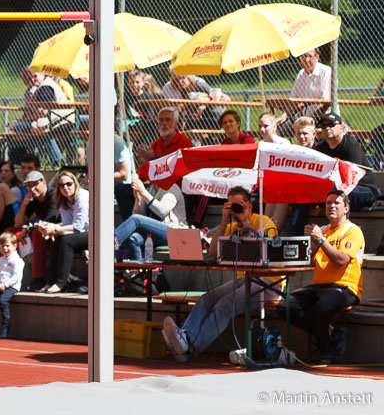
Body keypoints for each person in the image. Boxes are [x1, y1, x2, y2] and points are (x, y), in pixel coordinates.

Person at [162, 187, 281, 363]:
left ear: (249, 205)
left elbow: (260, 253)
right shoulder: (230, 226)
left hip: (268, 283)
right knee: (206, 299)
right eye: (231, 205)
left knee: (225, 304)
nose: (236, 210)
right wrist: (224, 221)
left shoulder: (264, 222)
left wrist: (246, 222)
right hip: (244, 280)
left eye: (239, 205)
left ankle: (190, 347)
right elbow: (212, 251)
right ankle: (185, 338)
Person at [280, 189, 364, 365]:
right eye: (328, 203)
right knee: (284, 306)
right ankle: (331, 332)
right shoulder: (323, 231)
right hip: (319, 286)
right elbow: (306, 263)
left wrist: (321, 241)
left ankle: (326, 350)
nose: (331, 206)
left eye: (336, 203)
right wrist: (308, 244)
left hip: (345, 287)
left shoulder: (352, 231)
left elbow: (341, 260)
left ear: (346, 208)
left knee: (322, 308)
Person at [39, 170, 90, 293]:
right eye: (62, 185)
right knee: (57, 238)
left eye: (69, 184)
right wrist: (50, 227)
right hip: (80, 235)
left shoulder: (82, 197)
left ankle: (61, 283)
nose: (66, 187)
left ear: (75, 183)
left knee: (66, 240)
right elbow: (67, 225)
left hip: (96, 234)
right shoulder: (63, 201)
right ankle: (50, 281)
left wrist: (55, 228)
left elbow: (78, 226)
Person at [314, 112, 378, 211]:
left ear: (341, 128)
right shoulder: (321, 148)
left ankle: (341, 226)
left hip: (364, 190)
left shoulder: (351, 146)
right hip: (334, 189)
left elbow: (351, 179)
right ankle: (299, 226)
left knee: (339, 193)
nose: (327, 128)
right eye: (323, 126)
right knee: (303, 193)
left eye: (331, 125)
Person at [115, 176, 188, 260]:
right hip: (156, 233)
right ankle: (136, 269)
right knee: (133, 238)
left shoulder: (172, 187)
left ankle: (112, 243)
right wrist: (137, 201)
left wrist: (144, 192)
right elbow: (138, 215)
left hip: (175, 232)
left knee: (136, 219)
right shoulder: (151, 189)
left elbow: (162, 211)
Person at [162, 68, 228, 128]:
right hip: (196, 117)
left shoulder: (199, 84)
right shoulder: (182, 90)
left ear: (188, 77)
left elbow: (214, 96)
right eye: (176, 80)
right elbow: (186, 106)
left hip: (211, 113)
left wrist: (204, 105)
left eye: (183, 78)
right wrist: (191, 114)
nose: (180, 81)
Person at [290, 48, 331, 118]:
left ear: (317, 57)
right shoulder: (301, 74)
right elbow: (293, 101)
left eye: (310, 56)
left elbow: (326, 102)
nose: (306, 60)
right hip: (304, 119)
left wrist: (311, 117)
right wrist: (283, 116)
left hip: (324, 118)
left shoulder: (325, 72)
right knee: (281, 126)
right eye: (303, 56)